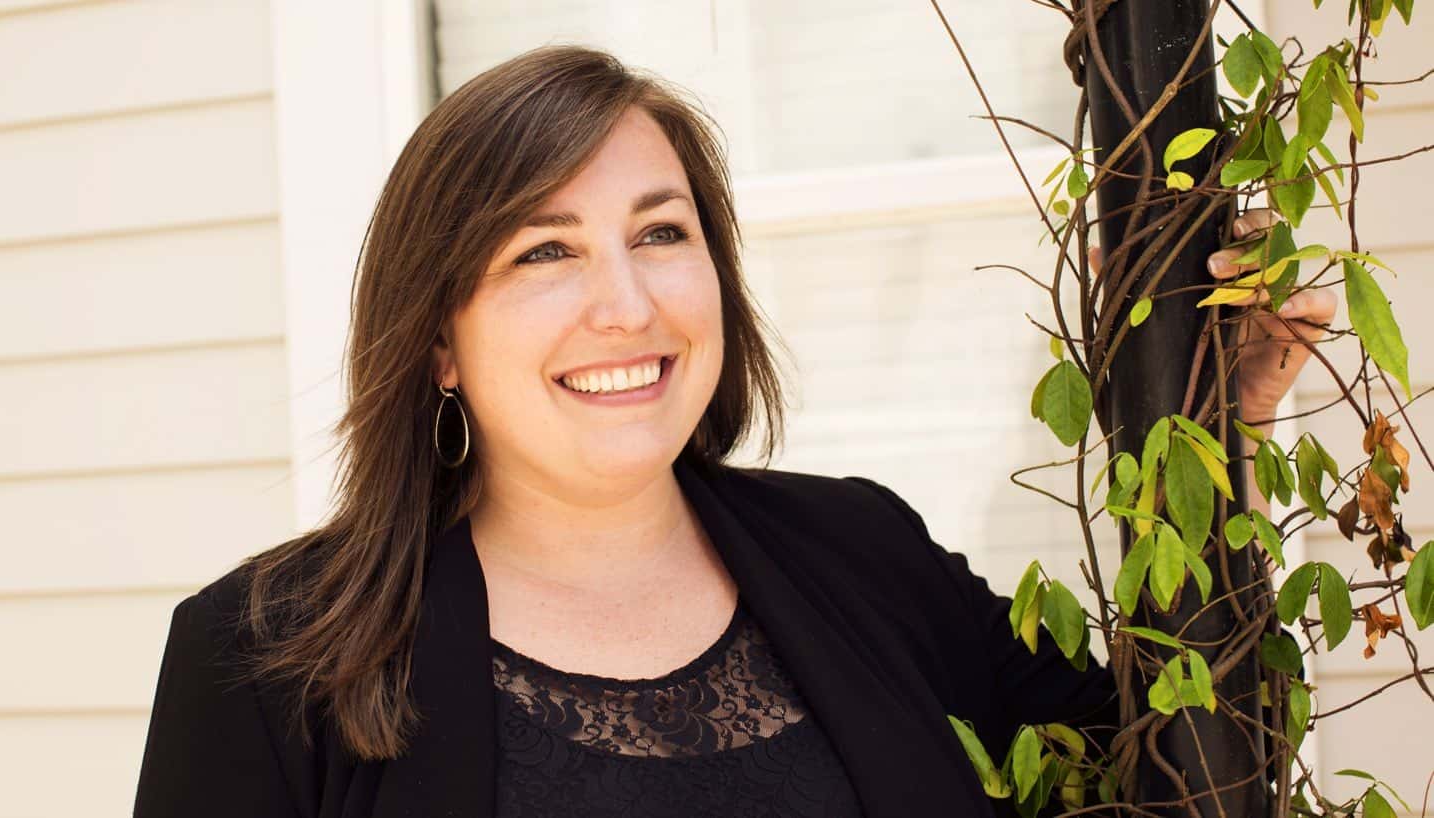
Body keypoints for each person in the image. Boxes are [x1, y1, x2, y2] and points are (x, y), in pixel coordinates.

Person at [131, 45, 1336, 818]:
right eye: (545, 250)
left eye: (661, 234)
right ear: (437, 337)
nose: (627, 304)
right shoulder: (263, 661)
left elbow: (1174, 777)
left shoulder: (865, 554)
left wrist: (1219, 427)